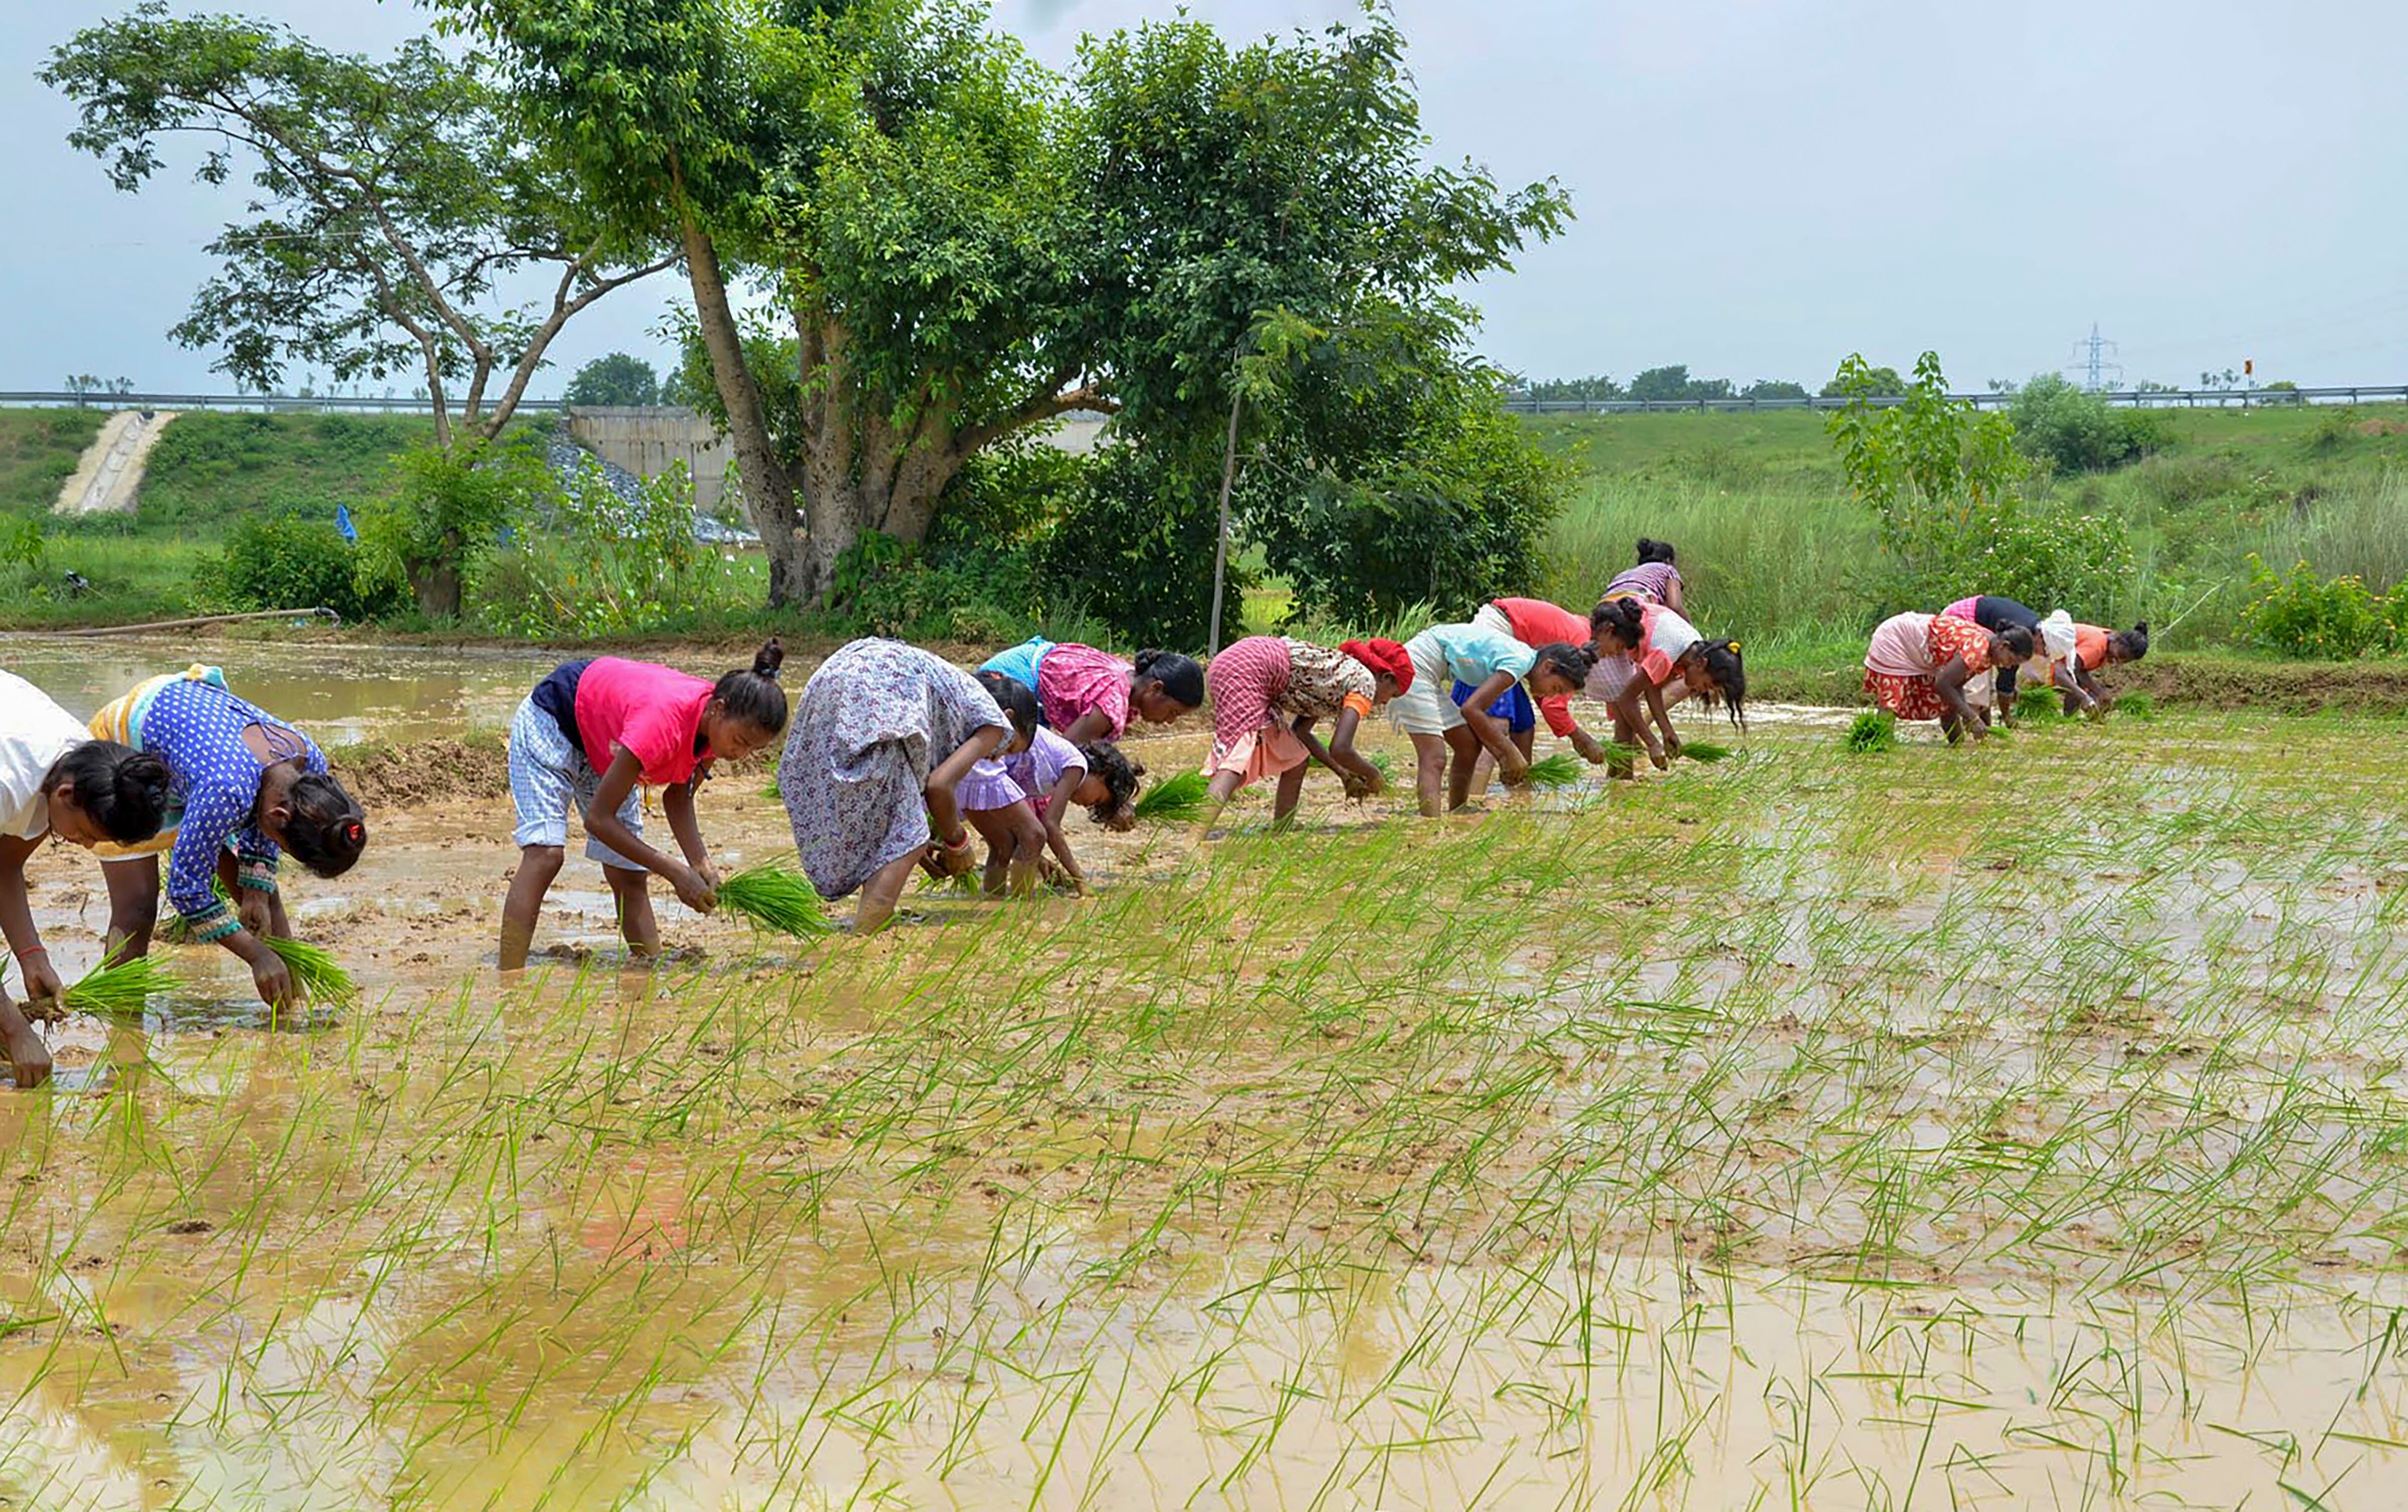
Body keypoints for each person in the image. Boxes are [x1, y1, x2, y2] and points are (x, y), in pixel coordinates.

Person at [88, 666, 366, 1008]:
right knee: (138, 904)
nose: (279, 850)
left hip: (200, 755)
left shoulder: (310, 766)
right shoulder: (226, 791)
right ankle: (123, 1025)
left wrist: (256, 893)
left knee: (264, 892)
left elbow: (267, 807)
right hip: (129, 741)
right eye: (285, 846)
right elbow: (187, 889)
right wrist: (255, 955)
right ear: (279, 817)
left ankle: (292, 1000)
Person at [500, 642, 788, 970]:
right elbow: (599, 820)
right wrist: (674, 872)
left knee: (629, 875)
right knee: (545, 856)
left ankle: (650, 970)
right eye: (740, 742)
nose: (740, 754)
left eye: (752, 749)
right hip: (555, 720)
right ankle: (509, 980)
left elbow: (678, 797)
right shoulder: (663, 722)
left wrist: (701, 864)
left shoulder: (715, 728)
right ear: (718, 709)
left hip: (607, 742)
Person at [0, 670, 171, 1087]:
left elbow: (4, 866)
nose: (88, 848)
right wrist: (13, 1028)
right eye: (88, 834)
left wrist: (32, 955)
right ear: (65, 796)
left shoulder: (79, 763)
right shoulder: (9, 783)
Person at [782, 639, 1012, 934]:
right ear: (1010, 720)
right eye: (1008, 750)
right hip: (878, 690)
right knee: (911, 836)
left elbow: (888, 816)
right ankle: (863, 942)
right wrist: (958, 843)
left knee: (904, 835)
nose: (995, 758)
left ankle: (861, 936)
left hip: (832, 680)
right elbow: (939, 787)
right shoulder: (995, 726)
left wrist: (914, 850)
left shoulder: (957, 689)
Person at [957, 672, 1139, 895]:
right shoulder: (1075, 766)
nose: (1087, 805)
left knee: (1002, 844)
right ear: (1103, 774)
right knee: (1035, 836)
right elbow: (1050, 826)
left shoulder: (1052, 774)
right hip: (987, 769)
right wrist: (1080, 880)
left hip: (979, 770)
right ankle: (1020, 903)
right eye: (1098, 799)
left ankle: (993, 900)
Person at [1387, 624, 1592, 815]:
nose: (1551, 696)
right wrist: (1510, 752)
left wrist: (1503, 756)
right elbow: (1471, 709)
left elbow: (1478, 716)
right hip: (1413, 667)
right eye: (1556, 688)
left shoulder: (1521, 659)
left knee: (1468, 746)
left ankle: (1458, 811)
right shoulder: (1519, 662)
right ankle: (1429, 828)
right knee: (1434, 757)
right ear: (1548, 667)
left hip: (1426, 670)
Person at [1201, 636, 1410, 822]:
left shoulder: (1337, 674)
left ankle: (1282, 832)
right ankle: (1194, 838)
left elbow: (1301, 732)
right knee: (1237, 758)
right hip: (1248, 669)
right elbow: (1341, 749)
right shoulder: (1365, 683)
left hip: (1234, 661)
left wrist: (1344, 774)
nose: (1385, 703)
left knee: (1296, 760)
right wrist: (1373, 774)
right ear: (1386, 678)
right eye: (1392, 695)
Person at [1589, 597, 1745, 772]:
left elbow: (1653, 686)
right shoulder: (1667, 653)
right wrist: (1652, 744)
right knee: (1626, 726)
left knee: (1627, 727)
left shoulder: (1693, 648)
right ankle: (1620, 786)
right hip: (1615, 632)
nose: (1702, 690)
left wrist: (1667, 731)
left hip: (1629, 623)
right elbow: (1626, 699)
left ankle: (1618, 784)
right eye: (1707, 684)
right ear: (1701, 664)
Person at [1464, 598, 1615, 772]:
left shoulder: (1579, 634)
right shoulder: (1579, 643)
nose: (1614, 655)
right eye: (1618, 647)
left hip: (1506, 632)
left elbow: (1544, 687)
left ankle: (1518, 790)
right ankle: (1476, 795)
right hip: (1497, 632)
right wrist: (1580, 738)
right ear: (1608, 632)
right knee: (1499, 724)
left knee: (1524, 726)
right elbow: (1553, 706)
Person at [977, 639, 1204, 743]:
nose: (1170, 722)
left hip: (1024, 666)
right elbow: (1066, 751)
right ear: (1156, 689)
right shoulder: (1111, 704)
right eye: (1174, 712)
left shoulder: (1128, 679)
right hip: (1013, 680)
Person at [1863, 612, 2037, 742]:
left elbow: (1956, 685)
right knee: (1892, 698)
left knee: (1948, 705)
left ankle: (1957, 746)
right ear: (2004, 646)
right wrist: (1971, 717)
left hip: (1922, 650)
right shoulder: (1978, 649)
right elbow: (1943, 684)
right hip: (1898, 638)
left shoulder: (1988, 652)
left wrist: (1968, 715)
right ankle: (1880, 745)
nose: (2009, 666)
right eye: (2011, 660)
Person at [1940, 595, 2077, 721]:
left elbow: (2006, 680)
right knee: (1976, 690)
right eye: (2046, 652)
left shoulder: (2030, 628)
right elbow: (2005, 682)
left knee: (1983, 684)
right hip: (1958, 620)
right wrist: (2008, 719)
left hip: (1976, 626)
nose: (2043, 656)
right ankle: (1969, 728)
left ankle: (1981, 725)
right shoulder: (2021, 638)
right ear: (2041, 640)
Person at [2064, 621, 2150, 713]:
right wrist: (2098, 692)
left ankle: (2068, 718)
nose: (2117, 662)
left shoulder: (2110, 645)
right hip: (2049, 650)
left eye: (2125, 662)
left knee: (2080, 685)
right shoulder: (2097, 645)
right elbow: (2074, 667)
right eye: (2121, 656)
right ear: (2118, 642)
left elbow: (2079, 675)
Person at [1603, 537, 1686, 614]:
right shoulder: (1668, 569)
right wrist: (1690, 627)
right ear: (1668, 560)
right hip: (1637, 604)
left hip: (1605, 607)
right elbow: (1674, 606)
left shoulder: (1624, 574)